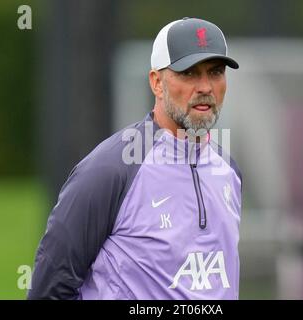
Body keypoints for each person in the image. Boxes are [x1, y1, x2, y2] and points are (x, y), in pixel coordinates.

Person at [28, 17, 242, 300]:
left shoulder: (229, 171)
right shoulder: (111, 170)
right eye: (189, 73)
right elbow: (49, 289)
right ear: (157, 82)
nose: (205, 86)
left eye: (215, 72)